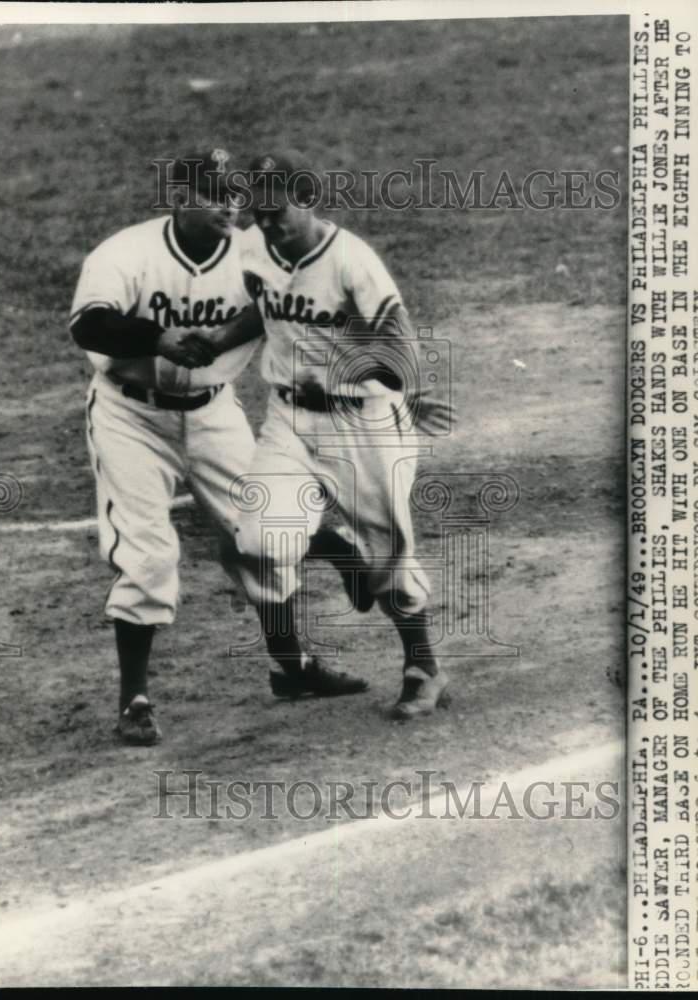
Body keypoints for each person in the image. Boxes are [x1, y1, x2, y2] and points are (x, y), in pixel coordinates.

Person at [231, 151, 453, 719]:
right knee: (258, 540)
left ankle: (422, 667)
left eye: (277, 210)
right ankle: (334, 552)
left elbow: (398, 338)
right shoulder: (253, 246)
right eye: (258, 211)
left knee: (389, 551)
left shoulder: (352, 260)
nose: (266, 221)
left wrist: (408, 389)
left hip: (363, 421)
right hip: (287, 418)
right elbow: (265, 305)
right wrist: (212, 344)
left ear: (307, 199)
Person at [69, 149, 264, 746]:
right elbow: (88, 325)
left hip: (213, 411)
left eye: (234, 195)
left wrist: (221, 338)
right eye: (214, 196)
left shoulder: (255, 252)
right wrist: (159, 337)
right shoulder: (124, 253)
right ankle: (134, 700)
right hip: (131, 416)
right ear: (179, 199)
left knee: (268, 534)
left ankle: (294, 666)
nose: (229, 207)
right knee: (149, 558)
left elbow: (278, 303)